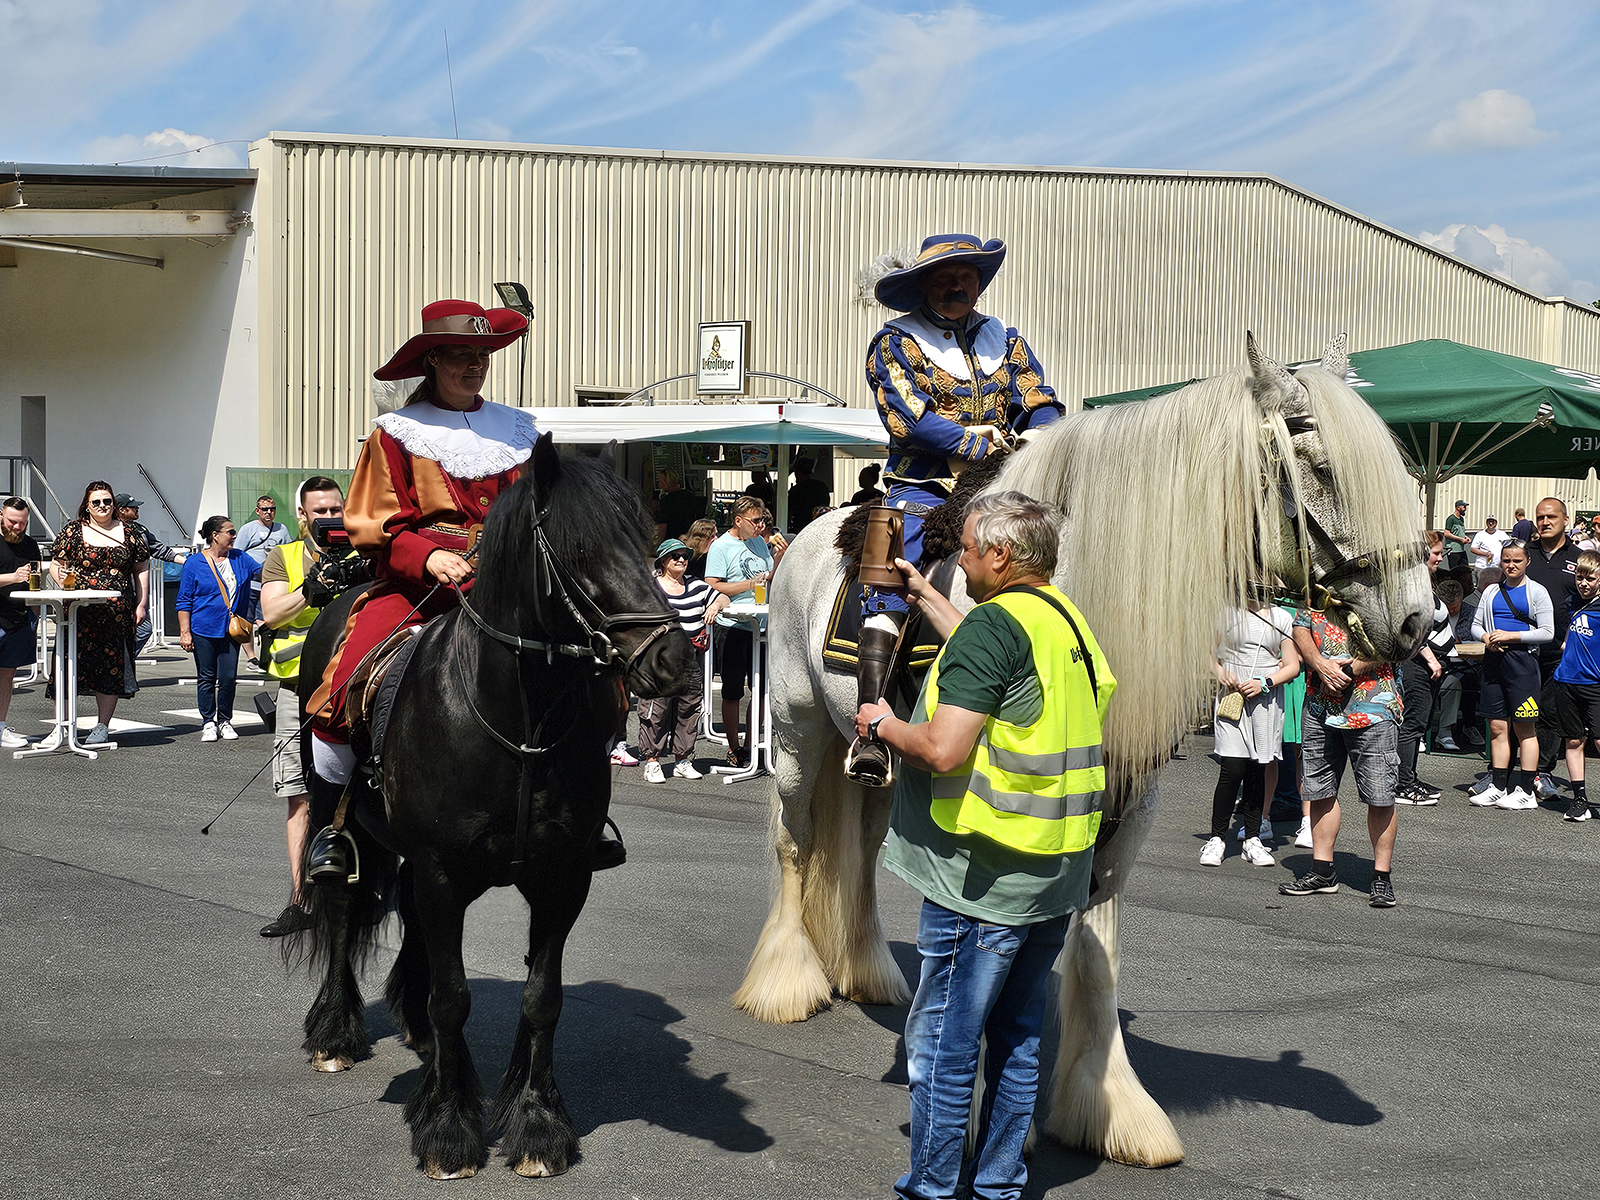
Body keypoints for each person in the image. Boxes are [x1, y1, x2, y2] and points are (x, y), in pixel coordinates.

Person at [852, 492, 1114, 1200]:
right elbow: (997, 658)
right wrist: (924, 598)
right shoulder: (1061, 618)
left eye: (966, 550)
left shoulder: (993, 628)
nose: (959, 561)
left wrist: (880, 724)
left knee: (944, 1042)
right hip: (1053, 870)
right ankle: (999, 1184)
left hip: (981, 876)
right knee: (1019, 1036)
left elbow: (941, 750)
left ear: (999, 555)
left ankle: (934, 1187)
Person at [849, 233, 1066, 785]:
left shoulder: (1006, 339)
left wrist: (1039, 437)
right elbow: (909, 419)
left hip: (999, 481)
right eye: (945, 278)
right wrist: (977, 443)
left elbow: (1038, 399)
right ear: (924, 285)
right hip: (919, 485)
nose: (957, 286)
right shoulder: (894, 341)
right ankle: (870, 727)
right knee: (891, 570)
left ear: (979, 282)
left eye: (967, 277)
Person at [256, 476, 364, 937]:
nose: (329, 518)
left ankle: (364, 895)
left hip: (354, 688)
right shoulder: (284, 556)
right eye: (320, 511)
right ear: (302, 514)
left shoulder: (363, 553)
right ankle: (301, 901)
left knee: (363, 792)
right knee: (299, 795)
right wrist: (311, 589)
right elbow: (272, 613)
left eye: (336, 509)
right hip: (297, 691)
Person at [1285, 599, 1405, 908]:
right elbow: (1301, 626)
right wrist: (1318, 663)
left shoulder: (1380, 587)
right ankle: (1322, 870)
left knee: (1380, 795)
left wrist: (1348, 670)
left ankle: (1381, 876)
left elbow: (1394, 637)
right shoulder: (1317, 586)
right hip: (1319, 703)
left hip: (1373, 704)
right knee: (1320, 789)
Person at [50, 480, 150, 745]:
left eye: (107, 501)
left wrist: (142, 604)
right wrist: (62, 581)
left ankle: (102, 726)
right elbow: (57, 564)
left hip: (117, 612)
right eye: (96, 502)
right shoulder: (73, 530)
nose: (103, 506)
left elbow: (141, 568)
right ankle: (63, 725)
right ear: (87, 505)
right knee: (68, 664)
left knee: (111, 668)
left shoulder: (130, 532)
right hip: (78, 611)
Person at [1201, 601, 1300, 868]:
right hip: (1233, 696)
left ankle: (1252, 838)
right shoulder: (1226, 612)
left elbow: (1292, 666)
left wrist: (1265, 683)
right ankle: (1217, 838)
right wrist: (1220, 672)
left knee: (1258, 768)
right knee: (1232, 768)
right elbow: (1205, 653)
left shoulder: (1281, 616)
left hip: (1265, 697)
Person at [1470, 540, 1554, 810]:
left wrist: (1511, 636)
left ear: (1527, 561)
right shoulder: (1491, 591)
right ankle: (1497, 786)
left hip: (1523, 664)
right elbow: (1475, 625)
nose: (1511, 565)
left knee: (1524, 728)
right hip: (1494, 661)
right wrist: (1486, 637)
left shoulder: (1537, 591)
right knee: (1497, 727)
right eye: (1506, 560)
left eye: (1517, 560)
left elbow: (1547, 632)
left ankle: (1526, 791)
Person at [638, 538, 726, 784]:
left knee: (688, 711)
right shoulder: (650, 587)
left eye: (685, 556)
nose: (681, 560)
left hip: (690, 661)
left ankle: (682, 760)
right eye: (675, 556)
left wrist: (714, 606)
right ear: (663, 561)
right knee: (655, 712)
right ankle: (652, 761)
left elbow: (723, 598)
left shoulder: (696, 586)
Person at [704, 496, 783, 767]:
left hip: (760, 624)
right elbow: (713, 584)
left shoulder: (759, 542)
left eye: (762, 520)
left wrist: (779, 558)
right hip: (733, 625)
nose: (761, 526)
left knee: (760, 689)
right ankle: (734, 748)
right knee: (732, 690)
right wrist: (748, 585)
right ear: (738, 520)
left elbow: (768, 576)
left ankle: (751, 744)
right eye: (756, 521)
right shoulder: (721, 546)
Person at [176, 515, 261, 742]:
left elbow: (265, 572)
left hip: (231, 629)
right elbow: (184, 600)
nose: (234, 536)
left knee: (228, 677)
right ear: (215, 535)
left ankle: (225, 720)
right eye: (230, 532)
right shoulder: (195, 563)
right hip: (203, 628)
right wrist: (185, 632)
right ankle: (208, 722)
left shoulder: (241, 558)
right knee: (206, 677)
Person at [1525, 497, 1580, 797]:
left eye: (1551, 517)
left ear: (1565, 520)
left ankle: (1543, 772)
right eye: (1540, 517)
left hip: (1560, 651)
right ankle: (1507, 773)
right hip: (1522, 648)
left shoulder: (1579, 557)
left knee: (1549, 712)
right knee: (1518, 711)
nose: (1545, 522)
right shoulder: (1524, 554)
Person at [1394, 534, 1449, 805]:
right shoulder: (1411, 587)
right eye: (1436, 553)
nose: (1440, 558)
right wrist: (1431, 659)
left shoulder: (1425, 583)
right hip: (1415, 665)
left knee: (1419, 725)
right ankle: (1402, 784)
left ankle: (1410, 777)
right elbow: (1411, 629)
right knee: (1412, 724)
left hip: (1428, 667)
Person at [1549, 551, 1600, 822]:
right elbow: (1569, 631)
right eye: (1580, 577)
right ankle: (1580, 799)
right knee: (1573, 740)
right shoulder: (1572, 602)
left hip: (1595, 684)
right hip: (1566, 681)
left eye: (1590, 578)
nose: (1584, 583)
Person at [115, 493, 187, 655]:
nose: (137, 509)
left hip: (137, 591)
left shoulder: (140, 530)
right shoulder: (110, 529)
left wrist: (187, 562)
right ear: (121, 510)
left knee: (144, 628)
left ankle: (122, 661)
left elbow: (159, 549)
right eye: (133, 507)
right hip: (118, 589)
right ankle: (118, 662)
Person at [0, 497, 42, 749]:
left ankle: (1, 726)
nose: (17, 527)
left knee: (7, 675)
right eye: (12, 522)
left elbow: (35, 580)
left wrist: (35, 616)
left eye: (22, 523)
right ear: (1, 516)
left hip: (18, 619)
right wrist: (12, 577)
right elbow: (17, 577)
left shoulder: (30, 545)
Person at [236, 494, 291, 622]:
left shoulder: (282, 529)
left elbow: (288, 552)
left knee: (266, 619)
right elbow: (238, 554)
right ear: (257, 511)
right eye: (265, 509)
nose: (269, 512)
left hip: (271, 583)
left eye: (272, 509)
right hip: (251, 583)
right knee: (246, 620)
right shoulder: (248, 529)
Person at [654, 467, 705, 542]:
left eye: (660, 482)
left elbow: (663, 527)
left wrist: (660, 543)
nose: (660, 485)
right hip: (689, 538)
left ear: (667, 481)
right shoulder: (689, 496)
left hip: (672, 540)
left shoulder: (666, 501)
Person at [786, 458, 832, 534]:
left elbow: (789, 513)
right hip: (820, 525)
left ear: (797, 472)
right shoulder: (821, 486)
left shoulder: (796, 490)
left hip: (800, 529)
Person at [1470, 516, 1508, 586]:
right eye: (1489, 521)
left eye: (1492, 522)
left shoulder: (1502, 534)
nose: (1491, 523)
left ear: (1496, 523)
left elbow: (1508, 546)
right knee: (1481, 587)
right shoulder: (1480, 534)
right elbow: (1473, 549)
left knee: (1496, 587)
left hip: (1497, 568)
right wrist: (1485, 554)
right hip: (1482, 567)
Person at [1442, 499, 1471, 571]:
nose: (1465, 509)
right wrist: (1461, 539)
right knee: (1454, 571)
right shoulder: (1451, 519)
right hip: (1453, 550)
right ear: (1458, 508)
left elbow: (1459, 532)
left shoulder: (1461, 519)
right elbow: (1446, 533)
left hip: (1461, 549)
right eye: (1464, 507)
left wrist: (1466, 537)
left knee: (1465, 569)